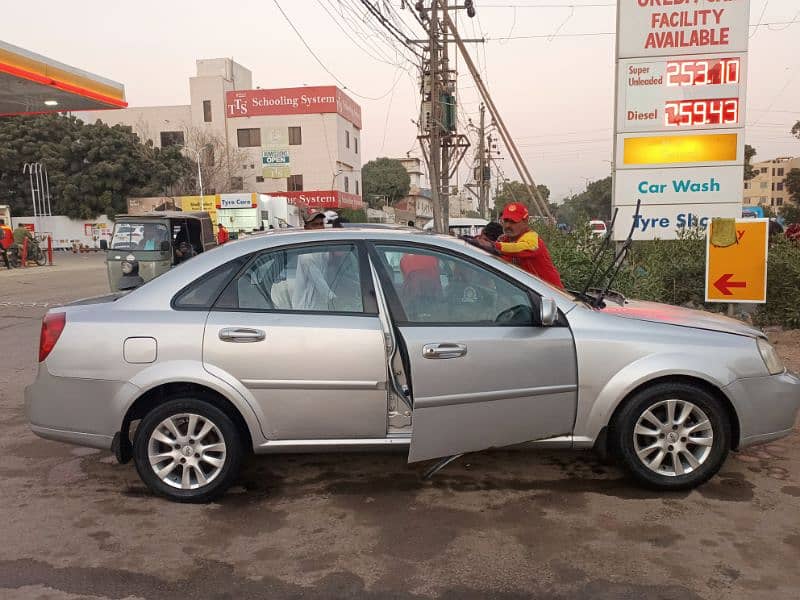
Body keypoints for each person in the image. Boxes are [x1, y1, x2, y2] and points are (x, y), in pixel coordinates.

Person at [478, 202, 563, 289]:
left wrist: (495, 246)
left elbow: (521, 248)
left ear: (525, 222)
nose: (507, 225)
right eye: (506, 220)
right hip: (528, 293)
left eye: (513, 222)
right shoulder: (505, 240)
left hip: (553, 295)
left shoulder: (531, 238)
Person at [292, 208, 335, 310]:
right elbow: (320, 284)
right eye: (316, 225)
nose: (320, 228)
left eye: (321, 224)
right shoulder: (306, 255)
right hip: (307, 308)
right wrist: (334, 298)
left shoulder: (322, 248)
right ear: (307, 228)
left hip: (319, 305)